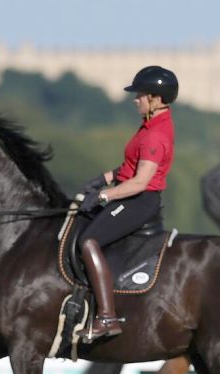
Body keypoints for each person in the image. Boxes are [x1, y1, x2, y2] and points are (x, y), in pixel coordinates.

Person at [76, 65, 177, 343]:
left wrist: (104, 196)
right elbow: (130, 166)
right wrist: (103, 179)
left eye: (140, 95)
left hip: (140, 200)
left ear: (155, 99)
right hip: (131, 193)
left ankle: (107, 317)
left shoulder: (156, 134)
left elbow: (139, 182)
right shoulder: (149, 126)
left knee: (89, 241)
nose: (136, 99)